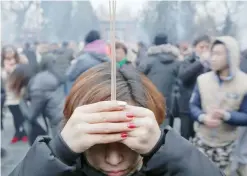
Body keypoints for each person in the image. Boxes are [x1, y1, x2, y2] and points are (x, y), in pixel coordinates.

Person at [10, 63, 224, 176]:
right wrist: (58, 152)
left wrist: (165, 150)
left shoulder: (167, 168)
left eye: (128, 142)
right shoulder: (62, 169)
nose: (114, 160)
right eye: (97, 143)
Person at [189, 36, 247, 174]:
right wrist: (203, 118)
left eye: (218, 54)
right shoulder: (202, 80)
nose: (212, 58)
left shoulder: (244, 83)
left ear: (231, 56)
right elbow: (192, 106)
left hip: (227, 145)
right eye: (212, 53)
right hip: (202, 141)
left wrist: (226, 115)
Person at [8, 60, 65, 144]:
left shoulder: (36, 89)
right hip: (63, 114)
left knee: (61, 150)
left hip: (58, 121)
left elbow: (31, 115)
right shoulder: (42, 77)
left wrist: (21, 101)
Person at [138, 33, 180, 127]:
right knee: (167, 129)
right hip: (170, 101)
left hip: (151, 99)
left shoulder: (148, 60)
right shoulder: (175, 60)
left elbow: (138, 76)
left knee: (152, 127)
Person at [177, 34, 211, 140]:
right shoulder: (188, 61)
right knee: (185, 138)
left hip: (204, 108)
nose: (204, 50)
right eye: (201, 47)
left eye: (207, 47)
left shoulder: (212, 64)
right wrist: (200, 63)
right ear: (195, 48)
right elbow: (183, 77)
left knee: (201, 139)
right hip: (187, 106)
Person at [1, 45, 28, 144]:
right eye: (7, 52)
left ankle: (22, 133)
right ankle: (19, 133)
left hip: (20, 93)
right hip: (9, 94)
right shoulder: (3, 65)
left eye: (11, 51)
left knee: (21, 115)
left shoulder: (19, 62)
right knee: (15, 115)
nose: (9, 53)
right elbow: (4, 78)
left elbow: (24, 72)